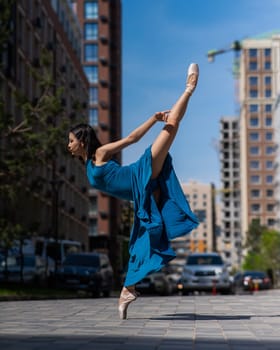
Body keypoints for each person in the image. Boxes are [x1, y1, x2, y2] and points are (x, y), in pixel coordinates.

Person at [68, 63, 200, 319]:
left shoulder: (99, 154)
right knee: (139, 244)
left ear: (82, 141)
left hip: (139, 174)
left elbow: (130, 140)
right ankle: (128, 290)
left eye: (71, 140)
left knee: (170, 125)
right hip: (140, 194)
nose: (68, 145)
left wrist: (152, 118)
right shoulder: (86, 164)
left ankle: (189, 88)